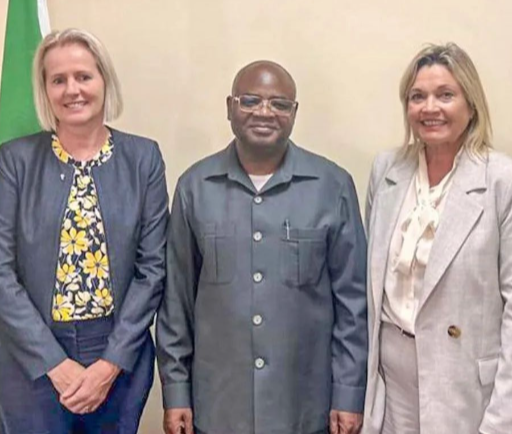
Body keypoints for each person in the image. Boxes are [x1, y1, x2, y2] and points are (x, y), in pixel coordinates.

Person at [157, 60, 368, 434]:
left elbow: (353, 303)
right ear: (230, 107)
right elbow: (176, 303)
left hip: (305, 408)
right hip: (219, 409)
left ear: (294, 113)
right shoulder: (195, 187)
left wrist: (348, 394)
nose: (265, 112)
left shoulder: (331, 186)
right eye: (250, 100)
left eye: (279, 104)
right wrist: (175, 392)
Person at [0, 28, 168, 434]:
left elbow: (152, 269)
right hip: (32, 359)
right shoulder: (15, 161)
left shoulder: (143, 158)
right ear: (45, 91)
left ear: (104, 80)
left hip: (118, 358)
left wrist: (109, 364)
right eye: (58, 80)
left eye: (83, 76)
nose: (72, 90)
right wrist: (55, 364)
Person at [362, 43, 512, 434]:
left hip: (464, 386)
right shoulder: (387, 171)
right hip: (390, 383)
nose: (429, 108)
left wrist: (504, 421)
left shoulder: (508, 183)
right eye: (417, 97)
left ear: (471, 105)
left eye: (445, 95)